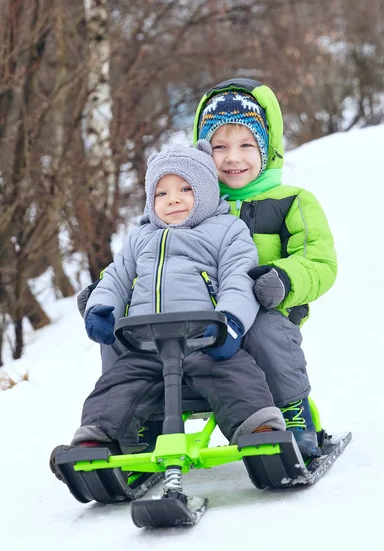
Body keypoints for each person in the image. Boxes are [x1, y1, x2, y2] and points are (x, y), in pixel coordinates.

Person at [59, 141, 285, 458]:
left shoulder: (226, 230)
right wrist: (101, 308)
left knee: (235, 376)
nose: (173, 199)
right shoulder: (141, 236)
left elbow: (239, 279)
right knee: (116, 384)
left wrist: (230, 322)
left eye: (185, 189)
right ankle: (97, 440)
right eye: (161, 193)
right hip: (145, 344)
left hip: (205, 339)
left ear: (206, 190)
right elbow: (117, 275)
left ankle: (259, 428)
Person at [193, 78, 337, 457]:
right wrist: (112, 289)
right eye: (218, 147)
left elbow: (319, 262)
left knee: (262, 331)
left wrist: (285, 279)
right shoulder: (191, 206)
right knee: (141, 339)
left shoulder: (292, 201)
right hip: (201, 313)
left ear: (268, 149)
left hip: (266, 308)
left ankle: (293, 411)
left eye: (246, 145)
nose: (232, 157)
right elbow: (153, 251)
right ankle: (139, 422)